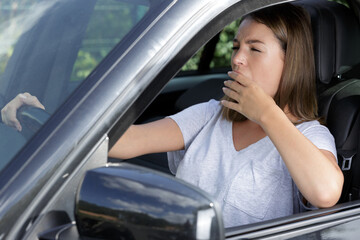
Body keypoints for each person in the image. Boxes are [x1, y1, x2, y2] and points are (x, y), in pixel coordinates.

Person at [1, 3, 343, 228]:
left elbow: (326, 192)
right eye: (237, 46)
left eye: (254, 49)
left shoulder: (311, 137)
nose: (237, 59)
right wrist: (44, 115)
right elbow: (125, 141)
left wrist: (267, 114)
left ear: (291, 62)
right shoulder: (211, 115)